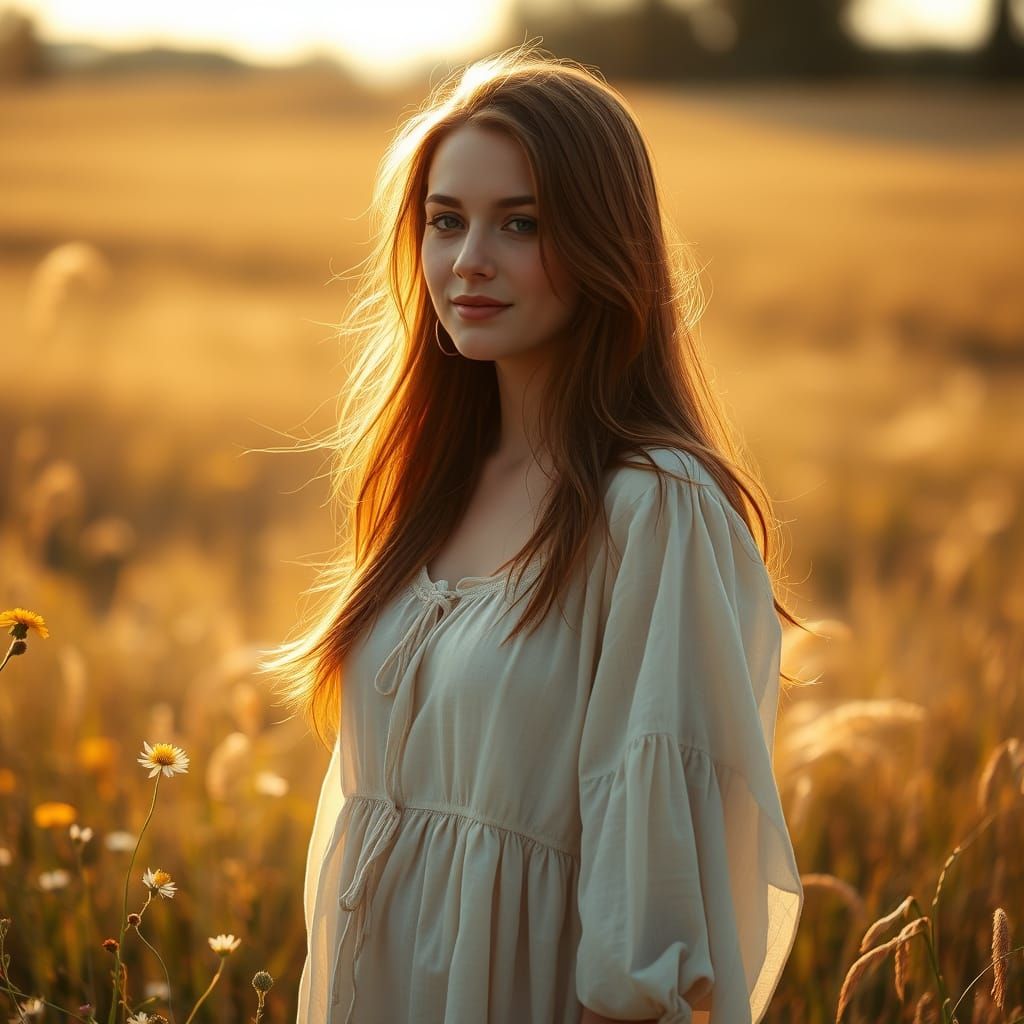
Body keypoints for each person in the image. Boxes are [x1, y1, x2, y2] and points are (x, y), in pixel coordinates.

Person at [263, 45, 806, 1024]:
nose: (468, 261)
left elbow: (656, 888)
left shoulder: (654, 509)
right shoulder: (426, 491)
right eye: (444, 222)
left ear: (604, 244)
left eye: (520, 224)